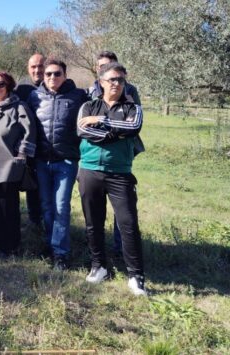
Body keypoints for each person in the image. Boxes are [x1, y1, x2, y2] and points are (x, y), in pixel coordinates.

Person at [77, 62, 146, 296]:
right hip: (89, 170)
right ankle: (99, 267)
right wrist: (116, 132)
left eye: (121, 80)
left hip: (120, 173)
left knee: (128, 224)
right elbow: (82, 131)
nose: (117, 84)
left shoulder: (132, 108)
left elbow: (133, 127)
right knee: (93, 223)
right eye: (112, 79)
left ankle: (136, 276)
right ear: (101, 82)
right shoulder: (87, 106)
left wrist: (102, 122)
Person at [27, 58, 88, 270]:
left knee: (61, 206)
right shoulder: (34, 96)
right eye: (49, 74)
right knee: (46, 206)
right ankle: (51, 244)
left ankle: (61, 254)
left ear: (65, 75)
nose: (52, 77)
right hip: (42, 161)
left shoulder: (78, 96)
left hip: (66, 161)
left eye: (57, 73)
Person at [88, 50, 144, 256]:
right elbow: (84, 125)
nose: (106, 68)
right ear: (98, 70)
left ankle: (121, 248)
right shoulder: (90, 91)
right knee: (96, 208)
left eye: (110, 65)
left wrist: (104, 126)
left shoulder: (129, 90)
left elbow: (132, 122)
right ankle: (98, 250)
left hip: (121, 153)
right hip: (96, 155)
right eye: (102, 66)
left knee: (122, 207)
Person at [0, 72, 36, 258]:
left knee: (7, 208)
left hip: (8, 166)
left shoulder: (19, 107)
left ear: (8, 86)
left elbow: (29, 133)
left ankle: (9, 246)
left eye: (0, 84)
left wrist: (20, 157)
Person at [14, 53, 46, 228]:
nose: (37, 70)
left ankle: (50, 222)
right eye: (33, 66)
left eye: (40, 66)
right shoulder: (22, 89)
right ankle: (35, 221)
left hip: (50, 147)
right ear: (28, 68)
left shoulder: (54, 84)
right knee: (32, 186)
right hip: (30, 147)